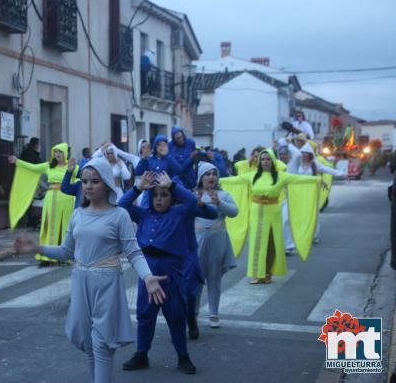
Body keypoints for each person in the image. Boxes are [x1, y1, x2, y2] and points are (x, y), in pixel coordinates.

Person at [14, 158, 166, 383]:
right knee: (89, 346)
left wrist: (147, 277)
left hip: (107, 283)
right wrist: (38, 247)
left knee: (102, 344)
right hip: (80, 282)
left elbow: (133, 251)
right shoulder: (78, 215)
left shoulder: (119, 215)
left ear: (106, 183)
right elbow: (67, 252)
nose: (88, 186)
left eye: (94, 181)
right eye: (84, 181)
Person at [119, 171, 218, 375]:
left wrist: (171, 185)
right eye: (155, 195)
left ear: (171, 197)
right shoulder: (144, 214)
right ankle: (142, 353)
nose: (159, 199)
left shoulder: (180, 213)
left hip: (171, 270)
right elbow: (121, 206)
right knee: (145, 313)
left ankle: (183, 356)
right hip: (147, 268)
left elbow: (191, 201)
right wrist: (138, 188)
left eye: (164, 195)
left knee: (175, 313)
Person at [220, 149, 321, 284]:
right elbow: (233, 181)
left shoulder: (281, 176)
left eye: (268, 159)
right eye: (263, 159)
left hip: (273, 214)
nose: (265, 162)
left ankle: (268, 273)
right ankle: (258, 274)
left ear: (273, 161)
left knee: (271, 244)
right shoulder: (252, 175)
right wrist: (214, 180)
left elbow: (299, 179)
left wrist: (318, 180)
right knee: (256, 244)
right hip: (256, 213)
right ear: (259, 162)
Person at [8, 143, 78, 267]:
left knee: (65, 227)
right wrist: (17, 161)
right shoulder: (48, 166)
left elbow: (84, 176)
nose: (57, 154)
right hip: (51, 199)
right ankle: (47, 257)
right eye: (55, 152)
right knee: (49, 227)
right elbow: (32, 168)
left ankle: (65, 256)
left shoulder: (73, 167)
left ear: (65, 153)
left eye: (60, 152)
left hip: (66, 200)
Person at [192, 162, 238, 329]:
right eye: (207, 174)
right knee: (196, 279)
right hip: (197, 241)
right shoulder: (194, 194)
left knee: (214, 277)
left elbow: (234, 212)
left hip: (218, 240)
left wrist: (219, 203)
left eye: (214, 173)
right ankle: (193, 313)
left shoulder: (223, 195)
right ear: (201, 178)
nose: (211, 177)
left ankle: (213, 314)